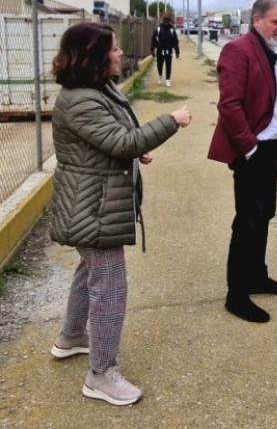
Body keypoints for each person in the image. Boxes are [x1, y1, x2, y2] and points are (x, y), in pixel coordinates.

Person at [49, 22, 192, 406]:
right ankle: (100, 374)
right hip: (91, 206)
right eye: (112, 49)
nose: (120, 54)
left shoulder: (95, 90)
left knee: (89, 270)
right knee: (109, 286)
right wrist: (169, 122)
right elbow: (121, 139)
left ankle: (71, 336)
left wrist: (132, 148)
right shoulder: (81, 98)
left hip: (91, 201)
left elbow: (113, 137)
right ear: (94, 56)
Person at [208, 0, 277, 323]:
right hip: (253, 150)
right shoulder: (238, 49)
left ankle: (257, 276)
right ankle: (236, 294)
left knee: (265, 214)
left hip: (273, 148)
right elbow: (229, 105)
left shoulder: (272, 51)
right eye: (276, 22)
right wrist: (249, 147)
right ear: (257, 20)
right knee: (248, 220)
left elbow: (269, 92)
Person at [150, 15, 180, 87]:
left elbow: (175, 41)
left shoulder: (172, 29)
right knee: (159, 64)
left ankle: (167, 80)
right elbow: (153, 39)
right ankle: (160, 76)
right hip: (160, 50)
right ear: (163, 21)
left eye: (167, 21)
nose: (166, 22)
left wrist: (177, 52)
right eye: (165, 20)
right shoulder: (159, 28)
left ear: (169, 21)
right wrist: (152, 49)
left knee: (168, 65)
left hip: (168, 50)